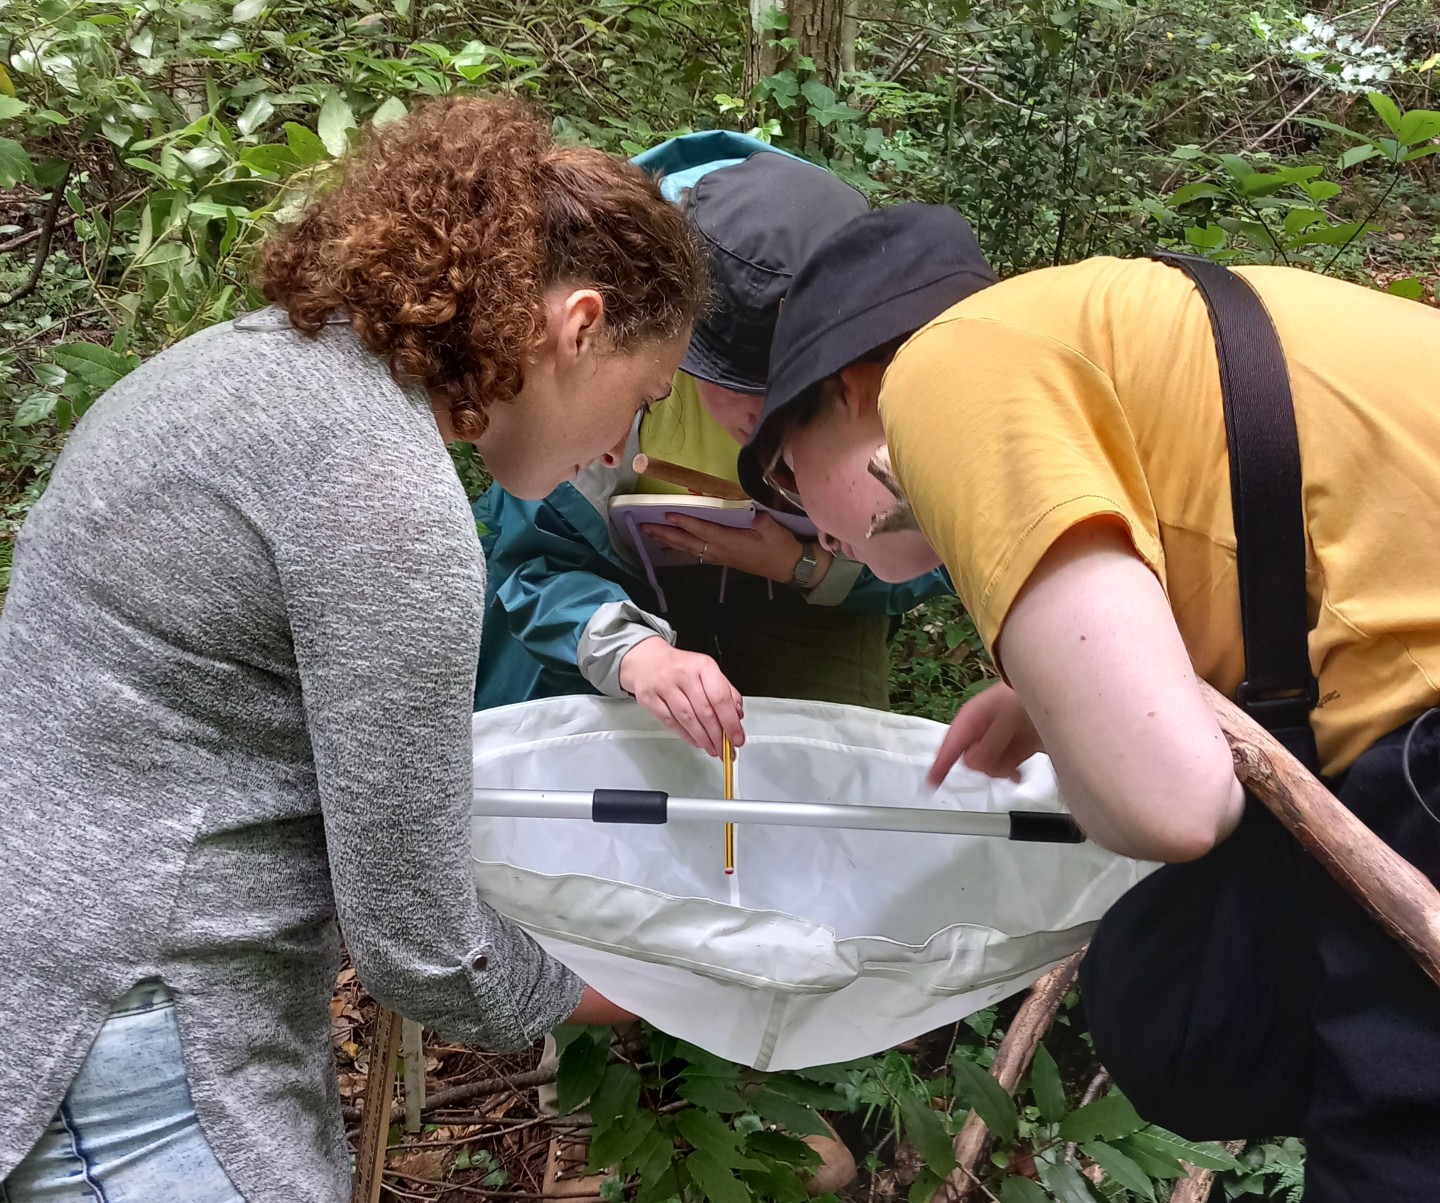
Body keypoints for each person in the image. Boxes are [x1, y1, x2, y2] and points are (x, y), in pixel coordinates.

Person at [0, 97, 707, 1203]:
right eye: (644, 398)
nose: (624, 447)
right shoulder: (385, 494)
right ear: (577, 328)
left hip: (51, 958)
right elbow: (424, 949)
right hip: (136, 1029)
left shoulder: (245, 366)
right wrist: (676, 986)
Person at [737, 202, 1440, 1200]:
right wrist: (1049, 688)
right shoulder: (1084, 340)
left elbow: (1172, 802)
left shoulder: (944, 374)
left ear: (854, 387)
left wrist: (1082, 735)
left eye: (781, 473)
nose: (805, 522)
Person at [473, 133, 952, 758]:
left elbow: (932, 549)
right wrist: (633, 652)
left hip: (823, 608)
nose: (780, 431)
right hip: (625, 594)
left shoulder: (895, 367)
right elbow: (534, 559)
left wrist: (805, 565)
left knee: (817, 779)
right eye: (764, 397)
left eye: (809, 400)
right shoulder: (621, 351)